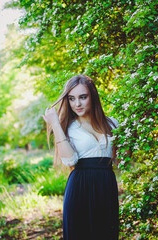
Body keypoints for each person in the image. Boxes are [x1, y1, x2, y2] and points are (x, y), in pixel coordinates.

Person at [42, 75, 119, 240]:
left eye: (83, 97)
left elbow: (123, 158)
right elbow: (70, 161)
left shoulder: (112, 124)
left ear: (93, 97)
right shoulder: (68, 128)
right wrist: (55, 123)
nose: (77, 104)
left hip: (106, 185)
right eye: (72, 98)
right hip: (80, 187)